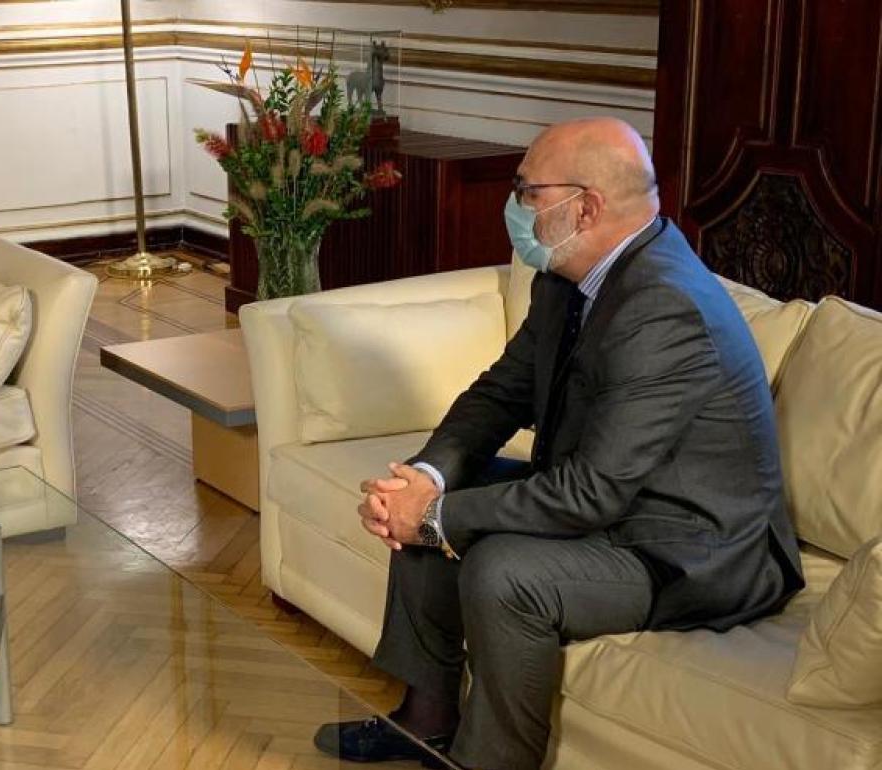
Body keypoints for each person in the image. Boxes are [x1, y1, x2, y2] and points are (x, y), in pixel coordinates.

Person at [313, 117, 805, 770]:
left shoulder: (665, 309)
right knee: (437, 500)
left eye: (527, 190)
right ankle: (425, 722)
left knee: (502, 571)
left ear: (587, 206)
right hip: (614, 506)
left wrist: (432, 515)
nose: (514, 206)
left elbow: (593, 493)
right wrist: (428, 481)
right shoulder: (567, 277)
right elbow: (499, 394)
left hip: (689, 550)